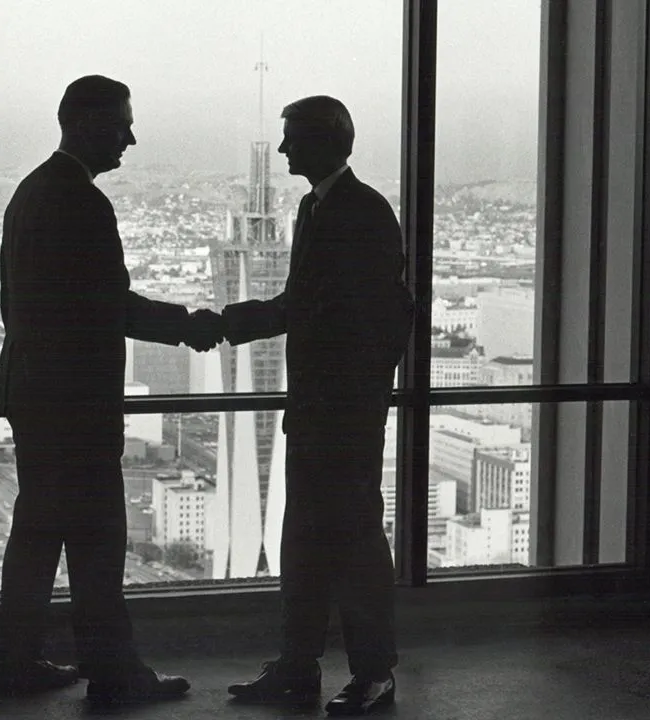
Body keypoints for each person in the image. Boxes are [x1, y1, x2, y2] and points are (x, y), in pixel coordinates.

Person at [0, 74, 222, 702]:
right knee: (98, 544)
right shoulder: (81, 201)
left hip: (36, 394)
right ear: (88, 123)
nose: (131, 137)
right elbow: (109, 306)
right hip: (75, 404)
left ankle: (19, 663)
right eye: (122, 123)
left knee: (37, 536)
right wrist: (190, 326)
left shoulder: (31, 192)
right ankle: (114, 675)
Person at [221, 96, 415, 716]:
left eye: (293, 140)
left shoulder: (363, 212)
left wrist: (225, 323)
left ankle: (372, 673)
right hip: (319, 413)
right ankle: (299, 665)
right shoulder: (315, 208)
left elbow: (369, 316)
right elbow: (306, 305)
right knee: (305, 541)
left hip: (346, 418)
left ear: (326, 141)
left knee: (353, 544)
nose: (283, 151)